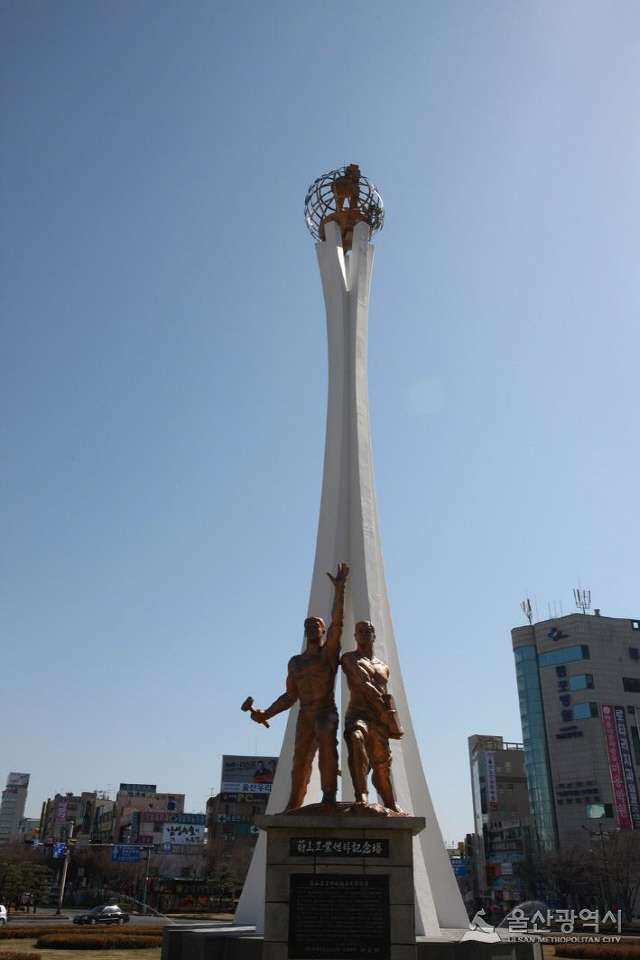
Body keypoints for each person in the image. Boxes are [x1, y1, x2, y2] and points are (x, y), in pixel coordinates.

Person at [249, 563, 349, 809]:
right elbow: (290, 696)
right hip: (305, 713)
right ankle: (293, 805)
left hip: (326, 710)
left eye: (316, 626)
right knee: (300, 762)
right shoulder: (295, 663)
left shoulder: (328, 655)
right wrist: (265, 713)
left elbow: (338, 623)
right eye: (308, 627)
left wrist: (340, 589)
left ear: (323, 632)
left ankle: (328, 796)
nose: (312, 629)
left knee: (326, 739)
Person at [341, 620, 404, 812]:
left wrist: (391, 719)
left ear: (374, 636)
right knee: (356, 738)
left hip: (378, 719)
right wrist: (386, 713)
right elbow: (363, 685)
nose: (364, 634)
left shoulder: (383, 666)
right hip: (358, 713)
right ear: (355, 636)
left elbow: (385, 693)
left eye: (368, 631)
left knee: (382, 764)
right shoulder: (349, 659)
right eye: (360, 631)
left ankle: (389, 801)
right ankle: (362, 794)